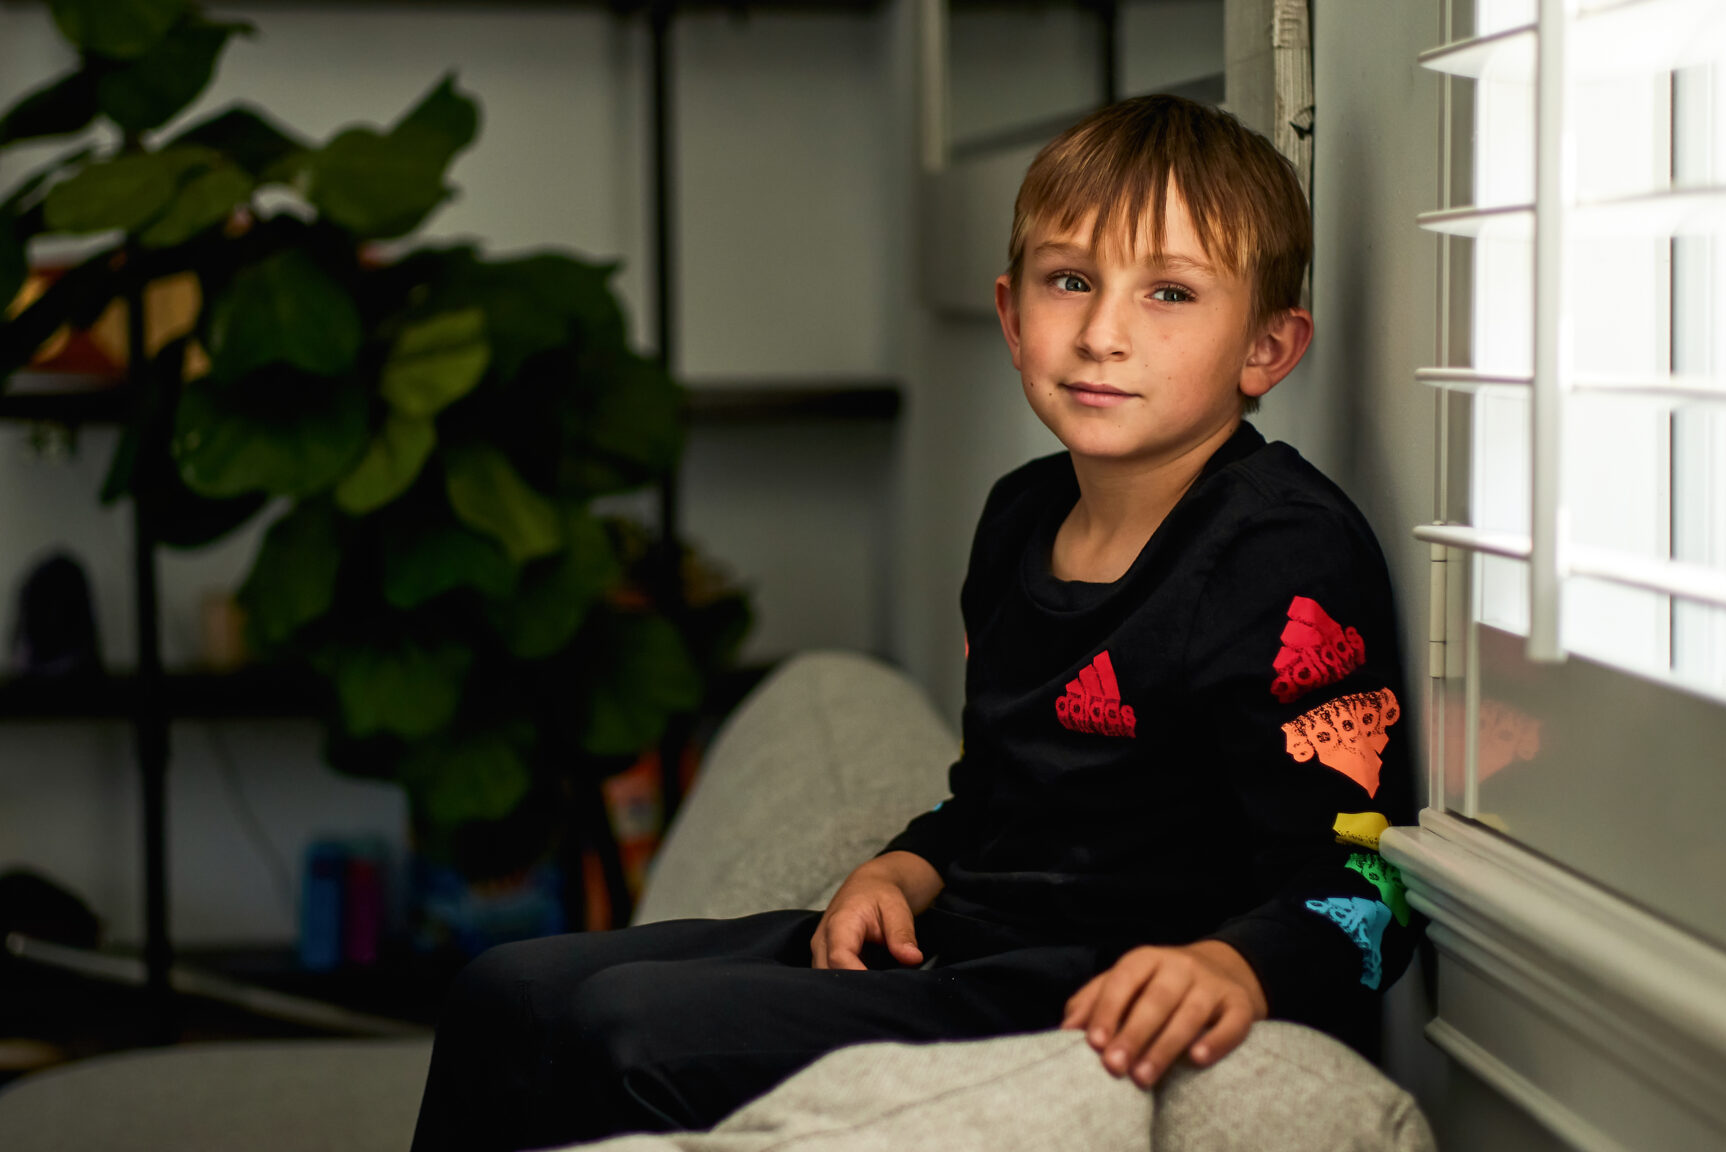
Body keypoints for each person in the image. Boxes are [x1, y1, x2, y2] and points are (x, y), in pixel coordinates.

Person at [410, 93, 1417, 1152]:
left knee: (622, 1035)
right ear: (1011, 312)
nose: (1102, 332)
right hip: (959, 939)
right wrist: (899, 870)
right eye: (1069, 280)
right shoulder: (1019, 516)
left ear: (1266, 347)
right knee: (504, 988)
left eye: (1168, 292)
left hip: (1090, 977)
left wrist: (1232, 964)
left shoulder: (1281, 555)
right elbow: (993, 798)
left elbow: (1365, 870)